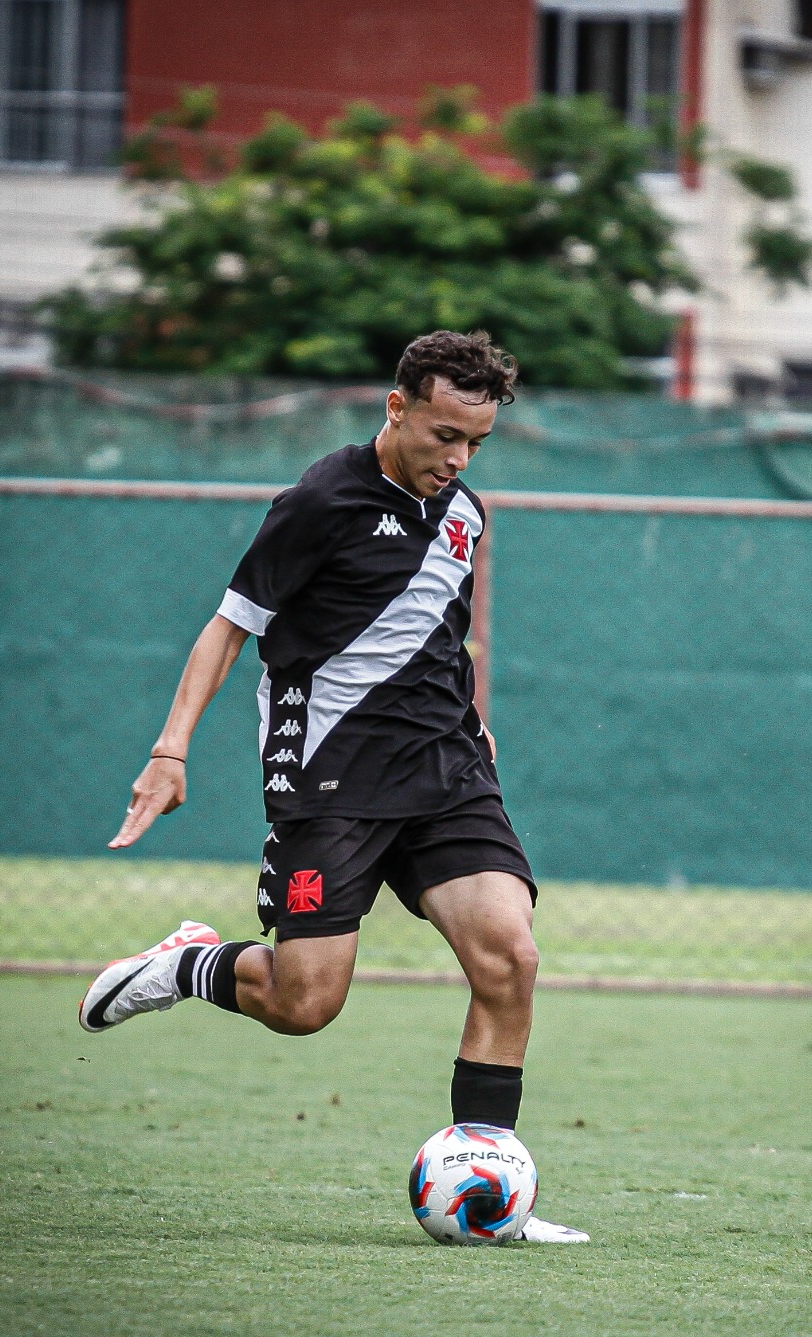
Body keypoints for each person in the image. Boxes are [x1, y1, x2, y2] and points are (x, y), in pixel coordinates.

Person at [82, 329, 587, 1243]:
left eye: (476, 443)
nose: (458, 459)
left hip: (444, 771)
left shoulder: (465, 514)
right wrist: (170, 750)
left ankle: (491, 1194)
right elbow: (229, 627)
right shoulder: (321, 500)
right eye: (443, 435)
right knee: (303, 1003)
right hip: (330, 775)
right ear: (397, 407)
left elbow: (439, 632)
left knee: (509, 958)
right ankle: (190, 962)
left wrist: (475, 719)